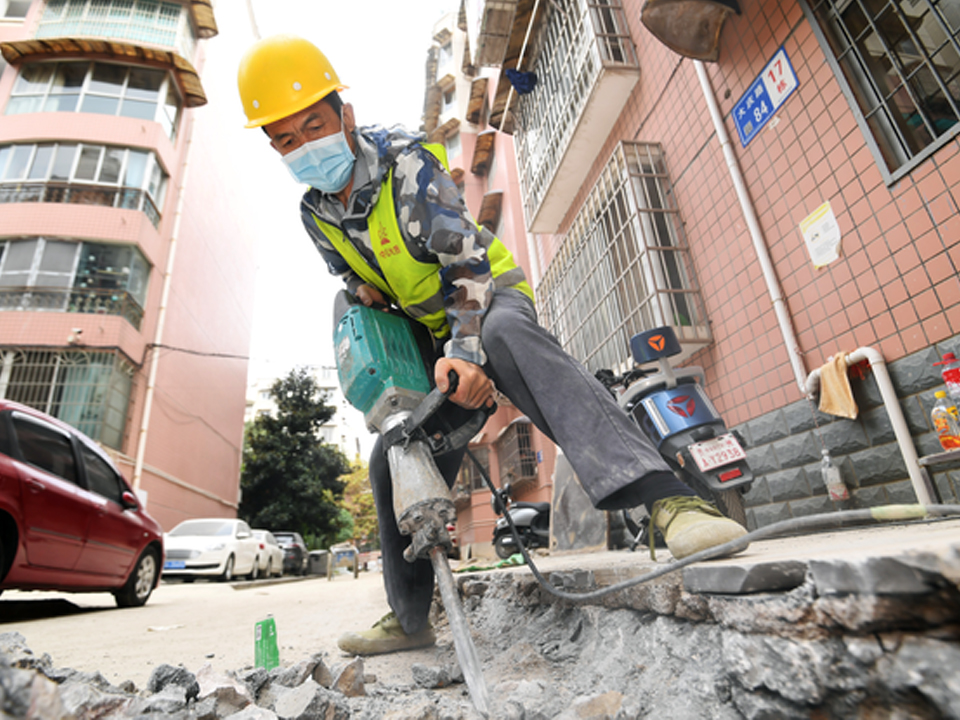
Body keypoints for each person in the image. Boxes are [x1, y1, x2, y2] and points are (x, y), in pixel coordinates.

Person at [237, 35, 749, 656]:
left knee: (506, 336)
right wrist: (368, 299)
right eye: (285, 140)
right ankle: (410, 614)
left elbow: (469, 269)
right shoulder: (315, 212)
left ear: (344, 114)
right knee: (394, 451)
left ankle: (671, 503)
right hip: (432, 337)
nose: (304, 147)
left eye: (312, 125)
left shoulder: (407, 167)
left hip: (486, 298)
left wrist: (468, 353)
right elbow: (352, 277)